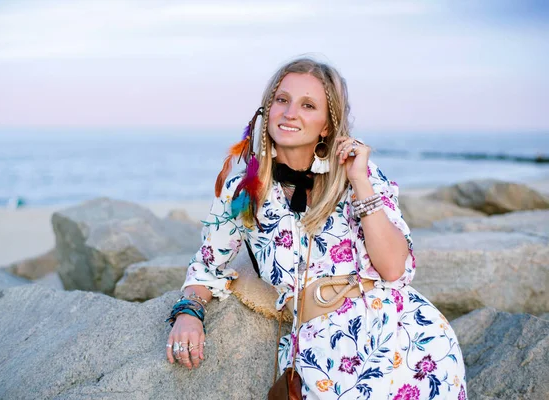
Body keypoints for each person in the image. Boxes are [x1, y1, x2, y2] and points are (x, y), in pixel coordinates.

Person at [166, 57, 467, 399]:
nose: (290, 112)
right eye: (282, 100)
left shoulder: (358, 175)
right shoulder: (243, 189)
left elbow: (394, 268)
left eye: (308, 105)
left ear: (327, 125)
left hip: (408, 336)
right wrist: (189, 313)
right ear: (267, 110)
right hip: (321, 348)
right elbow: (208, 266)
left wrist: (359, 183)